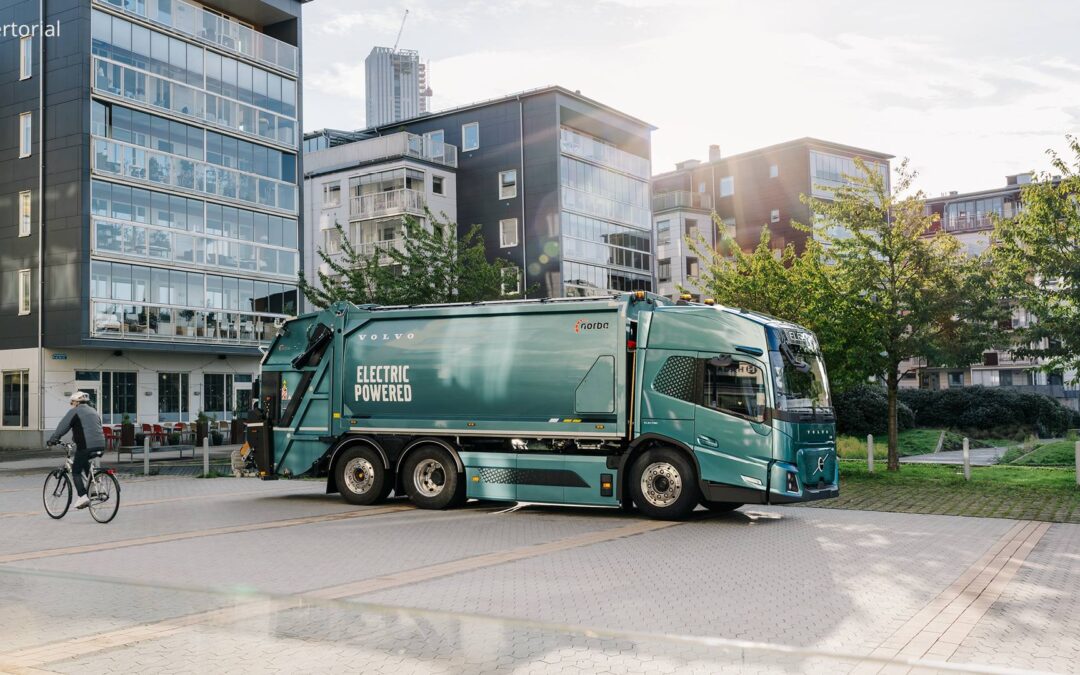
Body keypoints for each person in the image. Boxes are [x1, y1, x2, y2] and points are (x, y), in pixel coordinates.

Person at [47, 392, 106, 510]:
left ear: (76, 402)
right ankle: (95, 488)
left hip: (86, 446)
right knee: (85, 462)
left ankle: (82, 496)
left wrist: (53, 439)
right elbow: (90, 428)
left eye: (72, 402)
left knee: (75, 472)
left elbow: (62, 427)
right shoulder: (93, 411)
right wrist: (75, 439)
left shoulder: (74, 411)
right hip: (101, 444)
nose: (71, 405)